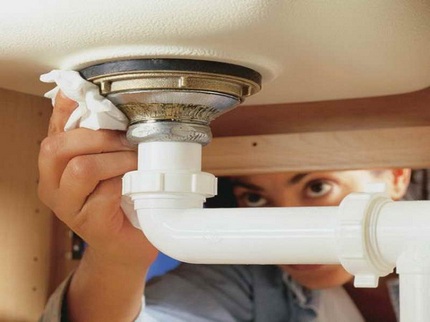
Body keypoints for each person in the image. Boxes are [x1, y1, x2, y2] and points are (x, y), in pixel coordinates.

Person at [39, 93, 411, 322]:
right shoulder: (251, 278)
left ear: (397, 176)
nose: (283, 235)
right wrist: (118, 258)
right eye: (255, 198)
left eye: (317, 187)